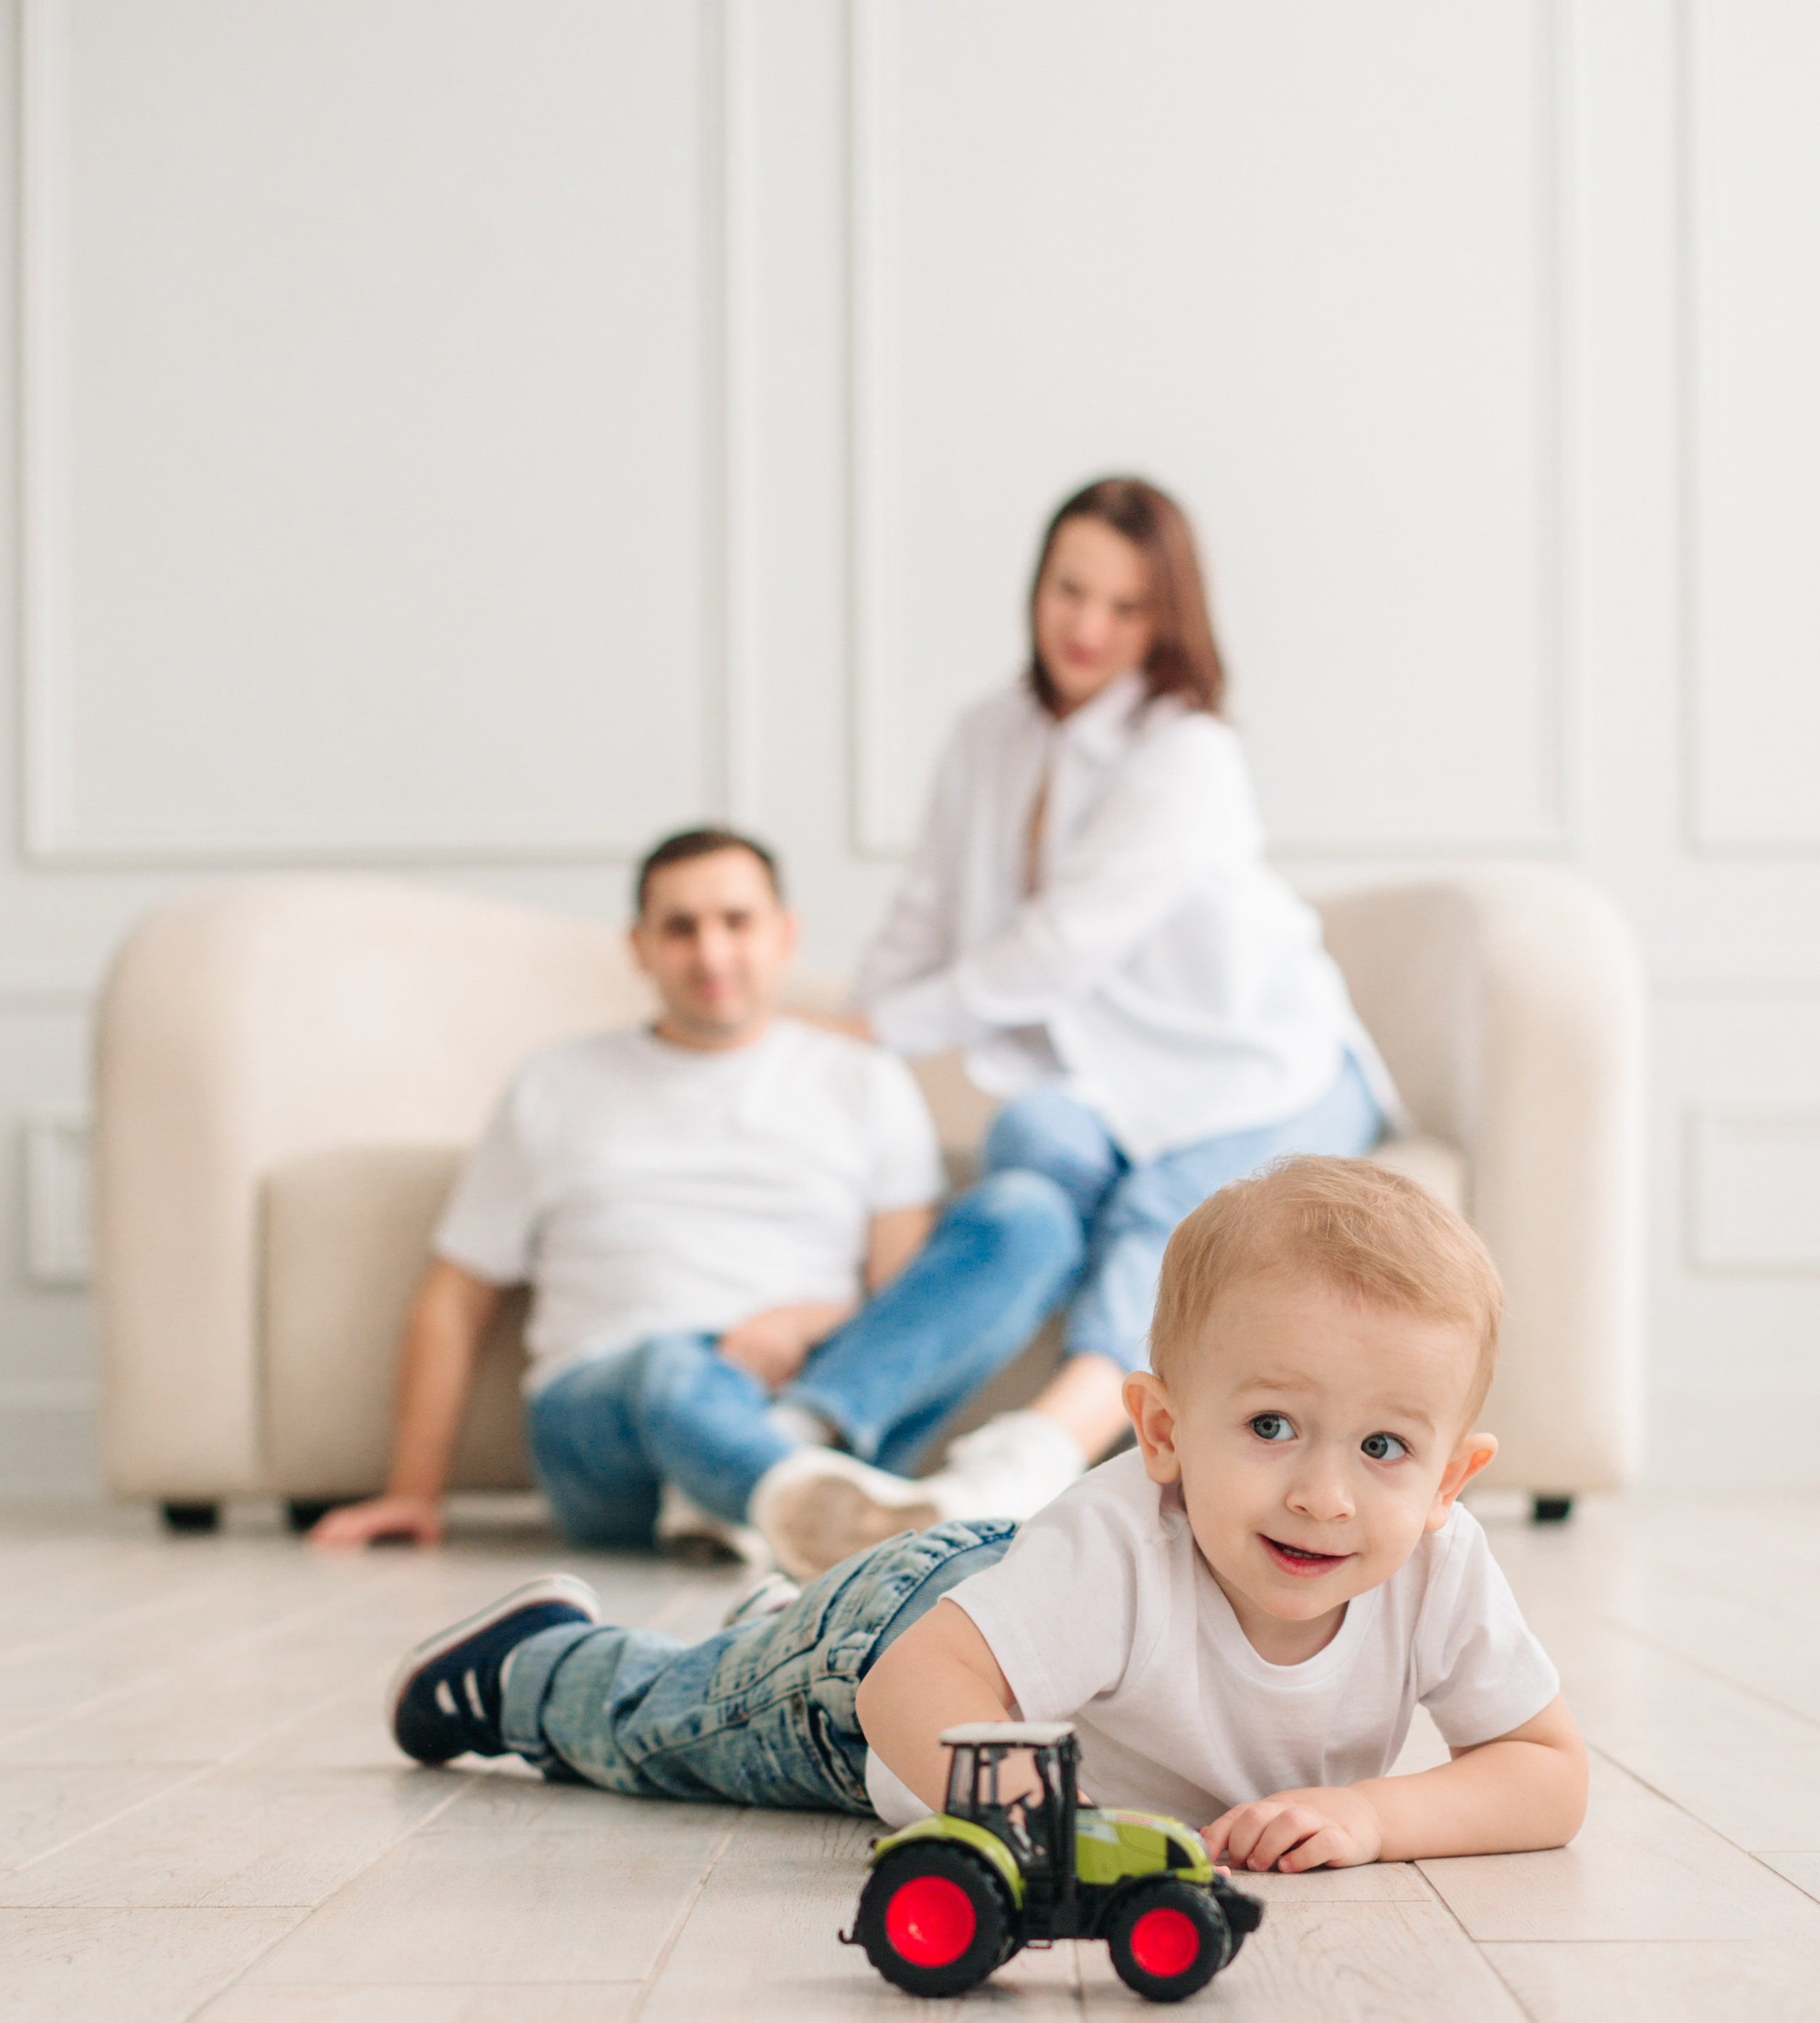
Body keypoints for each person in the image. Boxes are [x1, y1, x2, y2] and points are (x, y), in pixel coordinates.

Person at [382, 1158, 1588, 1879]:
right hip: (896, 1654)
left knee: (805, 1645)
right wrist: (1046, 1832)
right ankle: (533, 1669)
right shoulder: (1123, 1544)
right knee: (684, 1724)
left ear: (1449, 1480)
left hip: (1003, 1616)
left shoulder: (1441, 1566)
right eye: (1270, 1425)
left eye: (1384, 1448)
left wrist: (1373, 1814)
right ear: (1160, 1432)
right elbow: (910, 1690)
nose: (1323, 1493)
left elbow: (1546, 1773)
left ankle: (769, 1619)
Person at [753, 476, 1399, 1574]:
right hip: (1120, 1077)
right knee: (1025, 1170)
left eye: (1125, 606)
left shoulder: (1187, 754)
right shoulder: (987, 735)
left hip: (1265, 1059)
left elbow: (1055, 949)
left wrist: (887, 1028)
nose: (1087, 627)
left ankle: (1033, 1454)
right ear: (1037, 587)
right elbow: (928, 914)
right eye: (1069, 591)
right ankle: (802, 1441)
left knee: (1164, 1204)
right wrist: (852, 1032)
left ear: (1169, 617)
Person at [312, 827, 1083, 1565]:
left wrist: (802, 1323)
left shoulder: (860, 1078)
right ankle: (810, 1502)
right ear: (639, 947)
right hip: (609, 1418)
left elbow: (905, 1295)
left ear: (784, 933)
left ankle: (768, 1469)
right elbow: (454, 1297)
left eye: (736, 922)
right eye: (680, 928)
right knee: (672, 1368)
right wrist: (412, 1493)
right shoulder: (555, 1084)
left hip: (810, 1382)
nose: (711, 952)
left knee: (1031, 1215)